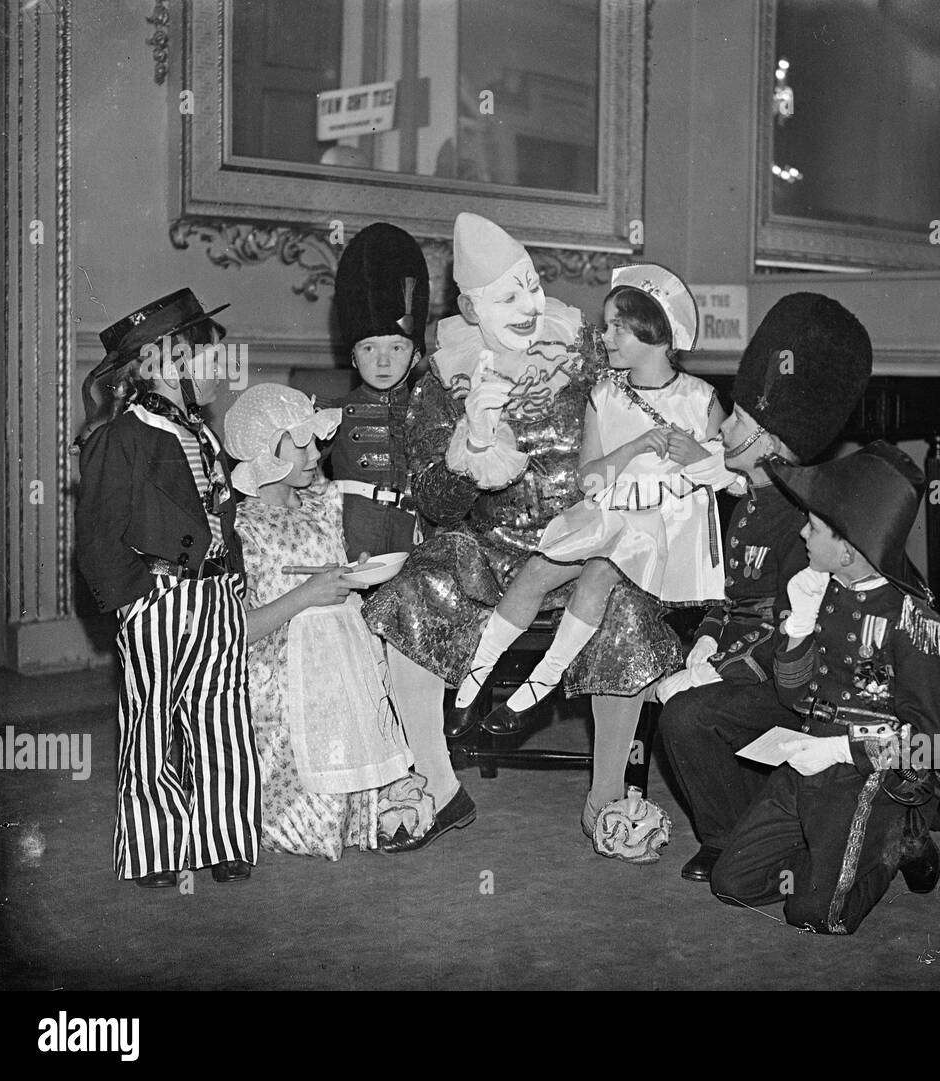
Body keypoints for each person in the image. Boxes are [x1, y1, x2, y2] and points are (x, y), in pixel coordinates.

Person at [363, 213, 683, 850]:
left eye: (531, 285)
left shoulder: (589, 352)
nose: (530, 304)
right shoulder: (441, 382)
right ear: (470, 308)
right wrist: (471, 447)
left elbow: (653, 414)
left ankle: (606, 797)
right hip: (489, 550)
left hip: (585, 541)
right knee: (415, 586)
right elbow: (430, 497)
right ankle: (436, 784)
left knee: (622, 599)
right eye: (508, 296)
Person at [451, 264, 728, 736]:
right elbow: (589, 480)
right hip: (611, 515)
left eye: (619, 325)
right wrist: (632, 448)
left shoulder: (699, 399)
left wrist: (701, 455)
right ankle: (469, 685)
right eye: (606, 325)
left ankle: (536, 690)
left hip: (666, 531)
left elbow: (735, 477)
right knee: (537, 570)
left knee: (598, 573)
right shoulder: (605, 395)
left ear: (655, 329)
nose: (607, 336)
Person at [656, 293, 873, 883]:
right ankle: (737, 826)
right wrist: (702, 645)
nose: (724, 424)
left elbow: (788, 635)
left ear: (771, 444)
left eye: (740, 420)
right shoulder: (750, 503)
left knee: (688, 716)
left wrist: (713, 674)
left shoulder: (801, 522)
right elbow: (727, 601)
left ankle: (731, 837)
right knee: (682, 705)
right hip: (759, 671)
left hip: (800, 684)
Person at [710, 442, 940, 935]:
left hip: (865, 776)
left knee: (816, 915)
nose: (801, 531)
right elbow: (793, 698)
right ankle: (832, 850)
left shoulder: (910, 620)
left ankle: (902, 841)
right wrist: (798, 628)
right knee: (731, 883)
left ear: (847, 547)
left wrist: (841, 751)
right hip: (806, 758)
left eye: (814, 526)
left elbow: (935, 738)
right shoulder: (816, 587)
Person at [74, 289, 259, 887]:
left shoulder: (203, 435)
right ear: (166, 361)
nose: (223, 373)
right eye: (210, 358)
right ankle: (157, 847)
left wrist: (232, 576)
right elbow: (99, 536)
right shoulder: (123, 437)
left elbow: (218, 513)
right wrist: (134, 599)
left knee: (223, 715)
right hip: (158, 598)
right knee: (150, 720)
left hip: (215, 599)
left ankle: (225, 837)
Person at [224, 384, 437, 859]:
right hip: (284, 676)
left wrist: (349, 572)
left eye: (313, 441)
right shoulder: (243, 527)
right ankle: (298, 820)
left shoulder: (321, 505)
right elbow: (237, 632)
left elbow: (330, 571)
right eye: (296, 443)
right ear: (263, 449)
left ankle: (364, 809)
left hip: (343, 659)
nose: (312, 454)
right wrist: (308, 594)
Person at [327, 222, 431, 559]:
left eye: (396, 349)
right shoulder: (328, 415)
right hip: (350, 542)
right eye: (370, 349)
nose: (383, 363)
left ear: (416, 355)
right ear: (353, 357)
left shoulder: (432, 411)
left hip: (412, 544)